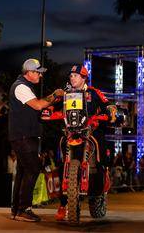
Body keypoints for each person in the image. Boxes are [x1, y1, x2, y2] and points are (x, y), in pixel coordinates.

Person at [43, 64, 117, 222]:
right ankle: (63, 205)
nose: (72, 78)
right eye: (71, 76)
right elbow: (53, 106)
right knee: (61, 151)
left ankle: (103, 173)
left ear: (84, 78)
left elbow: (107, 105)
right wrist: (49, 109)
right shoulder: (66, 93)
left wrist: (111, 111)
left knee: (100, 142)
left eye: (75, 75)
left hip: (90, 130)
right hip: (70, 132)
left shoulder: (93, 92)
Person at [8, 58, 65, 222]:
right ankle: (24, 209)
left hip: (24, 136)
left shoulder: (24, 86)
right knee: (33, 169)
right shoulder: (21, 87)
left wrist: (52, 101)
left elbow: (39, 107)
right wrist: (54, 95)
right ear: (29, 72)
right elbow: (39, 105)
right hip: (23, 136)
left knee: (23, 171)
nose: (40, 75)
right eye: (38, 72)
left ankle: (17, 209)